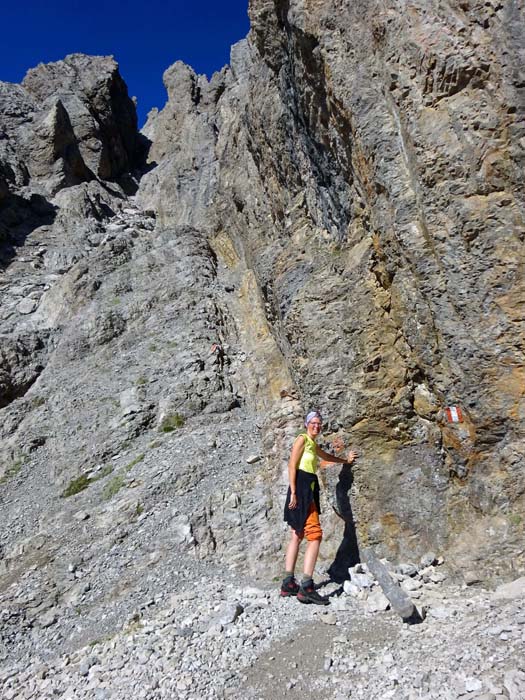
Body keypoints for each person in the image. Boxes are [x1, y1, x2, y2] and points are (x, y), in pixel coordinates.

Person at [281, 410, 357, 605]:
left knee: (297, 534)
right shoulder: (302, 439)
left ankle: (288, 583)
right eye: (313, 422)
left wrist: (345, 461)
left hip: (305, 487)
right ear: (307, 424)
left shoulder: (312, 444)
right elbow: (292, 465)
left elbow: (326, 456)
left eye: (319, 423)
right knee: (314, 535)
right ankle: (306, 587)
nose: (317, 426)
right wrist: (295, 492)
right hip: (302, 487)